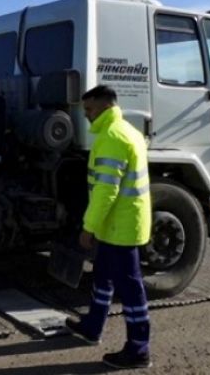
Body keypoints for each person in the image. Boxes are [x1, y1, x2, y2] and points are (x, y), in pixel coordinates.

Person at [65, 85, 153, 369]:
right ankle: (92, 326)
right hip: (120, 223)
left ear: (104, 107)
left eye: (89, 110)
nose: (86, 116)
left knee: (129, 287)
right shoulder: (126, 131)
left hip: (120, 227)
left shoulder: (111, 137)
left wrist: (88, 227)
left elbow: (106, 191)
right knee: (103, 277)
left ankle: (138, 349)